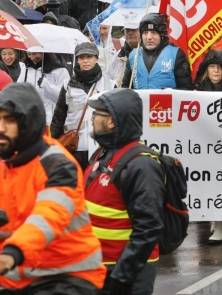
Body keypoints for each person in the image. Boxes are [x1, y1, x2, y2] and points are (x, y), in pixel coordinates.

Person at [0, 83, 106, 293]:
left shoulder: (58, 165)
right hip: (20, 275)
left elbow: (48, 216)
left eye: (10, 120)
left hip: (67, 277)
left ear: (28, 123)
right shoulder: (6, 162)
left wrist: (11, 252)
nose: (1, 128)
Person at [84, 88, 165, 294]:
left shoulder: (141, 164)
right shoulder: (101, 153)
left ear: (112, 122)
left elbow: (149, 227)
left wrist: (123, 275)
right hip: (97, 267)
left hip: (125, 272)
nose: (92, 119)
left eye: (97, 114)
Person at [50, 42, 114, 170]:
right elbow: (59, 116)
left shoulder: (110, 85)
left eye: (89, 57)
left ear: (96, 58)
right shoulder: (67, 85)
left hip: (100, 147)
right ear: (77, 59)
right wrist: (51, 145)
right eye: (81, 57)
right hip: (73, 147)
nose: (85, 61)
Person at [194, 50, 222, 244]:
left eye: (219, 67)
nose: (216, 71)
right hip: (203, 147)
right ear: (206, 70)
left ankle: (219, 227)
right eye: (212, 67)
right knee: (207, 185)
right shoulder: (196, 92)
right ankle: (213, 220)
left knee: (221, 185)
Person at [121, 13, 193, 90]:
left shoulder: (175, 54)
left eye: (153, 33)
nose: (149, 37)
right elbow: (126, 88)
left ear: (162, 35)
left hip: (167, 101)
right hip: (141, 101)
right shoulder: (133, 55)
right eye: (145, 33)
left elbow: (186, 88)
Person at [17, 52, 70, 125]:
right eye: (29, 54)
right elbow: (18, 92)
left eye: (35, 54)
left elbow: (65, 98)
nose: (32, 57)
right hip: (29, 122)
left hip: (50, 121)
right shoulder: (25, 69)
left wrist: (46, 84)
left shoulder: (60, 70)